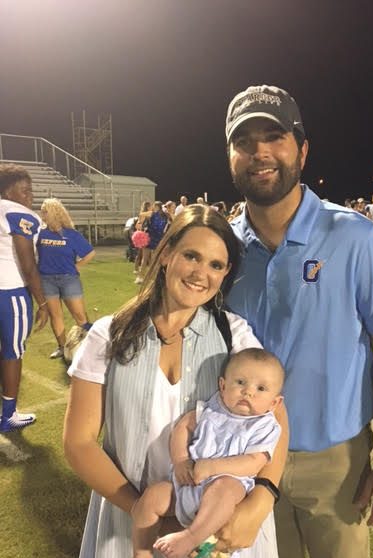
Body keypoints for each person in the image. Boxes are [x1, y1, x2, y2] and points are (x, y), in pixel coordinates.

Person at [224, 85, 373, 558]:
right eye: (245, 141)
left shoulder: (355, 237)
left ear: (302, 150)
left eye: (275, 136)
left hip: (334, 464)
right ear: (230, 156)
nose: (260, 152)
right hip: (242, 458)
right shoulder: (220, 247)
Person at [63, 204, 288, 558]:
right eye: (191, 256)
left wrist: (259, 501)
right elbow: (78, 443)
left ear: (226, 272)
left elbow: (274, 419)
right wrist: (143, 511)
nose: (201, 273)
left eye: (216, 265)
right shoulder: (110, 334)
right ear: (166, 253)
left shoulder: (235, 336)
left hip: (216, 525)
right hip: (131, 522)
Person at [131, 348, 284, 558]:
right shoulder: (212, 409)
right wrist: (181, 461)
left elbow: (253, 463)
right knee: (152, 497)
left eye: (261, 388)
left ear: (274, 403)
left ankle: (191, 538)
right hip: (188, 485)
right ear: (222, 386)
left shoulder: (264, 426)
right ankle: (141, 551)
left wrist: (214, 467)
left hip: (225, 494)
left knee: (226, 487)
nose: (248, 392)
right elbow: (183, 427)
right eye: (240, 382)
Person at [0, 163, 49, 432]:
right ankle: (8, 414)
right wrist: (41, 302)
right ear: (8, 192)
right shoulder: (17, 212)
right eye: (25, 191)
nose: (30, 197)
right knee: (12, 352)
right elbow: (28, 264)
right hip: (10, 291)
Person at [37, 198, 95, 359]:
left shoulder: (71, 234)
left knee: (80, 316)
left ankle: (91, 347)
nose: (42, 215)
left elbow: (90, 253)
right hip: (46, 280)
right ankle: (62, 347)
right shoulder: (40, 233)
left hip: (69, 279)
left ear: (55, 213)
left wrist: (77, 265)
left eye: (45, 212)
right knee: (56, 316)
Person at [135, 202, 169, 285]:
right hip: (159, 238)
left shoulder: (152, 214)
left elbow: (141, 214)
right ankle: (154, 278)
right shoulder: (166, 215)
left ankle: (140, 277)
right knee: (155, 259)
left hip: (150, 238)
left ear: (156, 206)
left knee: (145, 259)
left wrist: (140, 222)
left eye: (154, 206)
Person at [133, 201, 153, 275]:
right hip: (142, 237)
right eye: (151, 206)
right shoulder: (143, 215)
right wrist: (140, 226)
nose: (152, 207)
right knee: (140, 254)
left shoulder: (149, 214)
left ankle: (149, 271)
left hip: (148, 236)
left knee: (147, 255)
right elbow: (137, 226)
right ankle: (136, 269)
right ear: (148, 207)